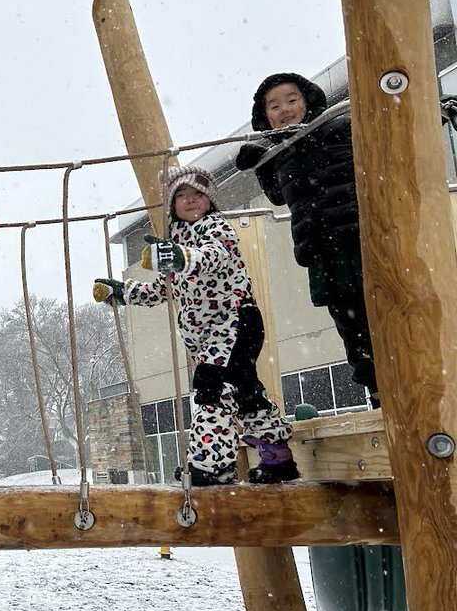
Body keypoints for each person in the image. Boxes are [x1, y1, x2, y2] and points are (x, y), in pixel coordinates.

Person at [93, 165, 298, 486]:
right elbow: (164, 290)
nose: (190, 201)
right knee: (245, 393)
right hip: (211, 334)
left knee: (212, 388)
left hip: (235, 322)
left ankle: (213, 464)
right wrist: (123, 292)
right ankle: (277, 455)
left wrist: (179, 256)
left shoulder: (217, 228)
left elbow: (211, 257)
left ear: (210, 199)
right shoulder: (174, 240)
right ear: (172, 205)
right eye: (182, 196)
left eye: (198, 194)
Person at [235, 72, 378, 404]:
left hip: (358, 238)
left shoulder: (335, 127)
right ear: (265, 116)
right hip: (319, 249)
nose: (284, 109)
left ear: (307, 101)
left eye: (291, 100)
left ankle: (407, 381)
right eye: (274, 105)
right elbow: (277, 196)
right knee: (350, 325)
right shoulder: (281, 152)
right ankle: (377, 390)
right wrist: (261, 161)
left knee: (381, 311)